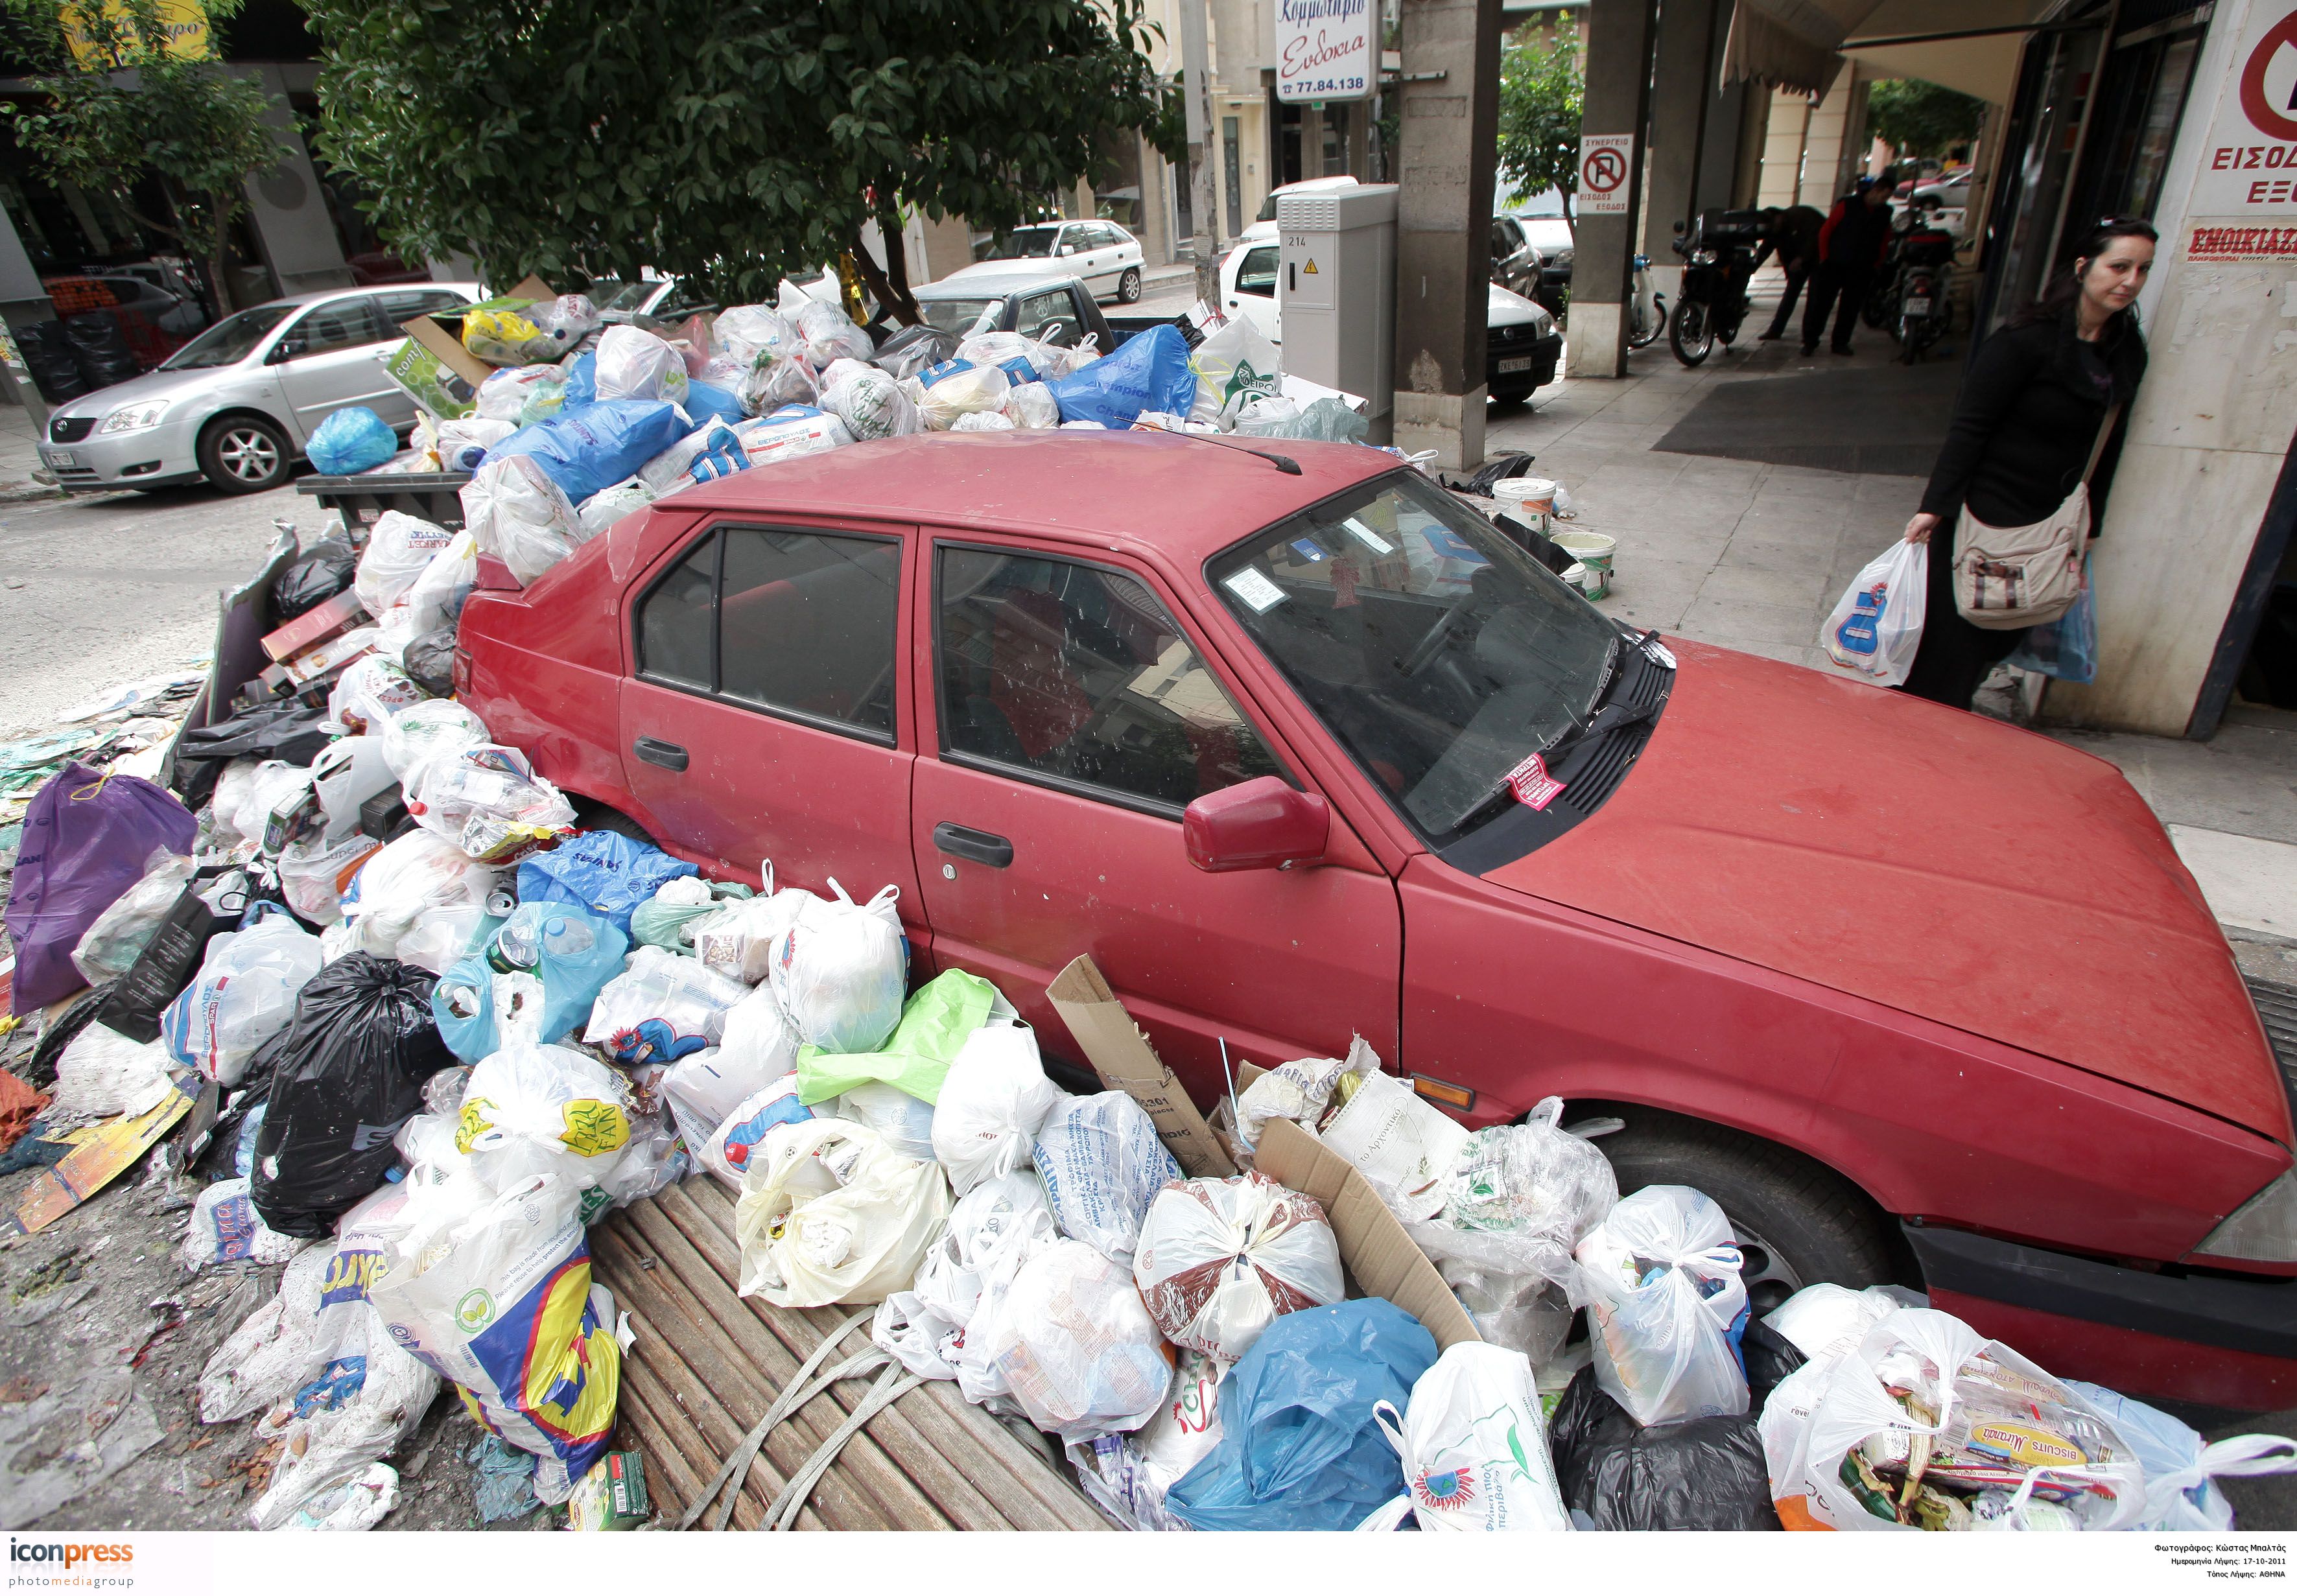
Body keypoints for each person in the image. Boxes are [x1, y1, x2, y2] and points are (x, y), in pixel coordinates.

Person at [1898, 218, 2156, 708]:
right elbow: (1969, 428)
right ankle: (1920, 727)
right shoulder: (2023, 341)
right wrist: (1935, 507)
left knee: (2000, 637)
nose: (2130, 281)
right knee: (1953, 638)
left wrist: (2091, 521)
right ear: (2083, 267)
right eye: (2119, 266)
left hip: (2049, 524)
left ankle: (1945, 715)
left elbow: (2111, 441)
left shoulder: (2124, 350)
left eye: (2142, 270)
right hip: (1984, 515)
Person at [1800, 169, 1899, 357]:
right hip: (1834, 264)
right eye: (1884, 195)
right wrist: (1824, 258)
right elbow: (1826, 231)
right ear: (1875, 190)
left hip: (1863, 267)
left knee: (1850, 308)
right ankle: (1810, 341)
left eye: (1888, 197)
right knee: (1820, 305)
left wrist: (1878, 262)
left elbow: (1885, 238)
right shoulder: (1848, 205)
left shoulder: (1885, 212)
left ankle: (1840, 343)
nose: (1884, 200)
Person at [1752, 204, 1825, 341]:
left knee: (1814, 298)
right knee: (1790, 295)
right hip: (1796, 264)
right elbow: (1766, 248)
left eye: (1774, 225)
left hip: (1817, 260)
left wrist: (1802, 258)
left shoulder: (1801, 216)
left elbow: (1815, 239)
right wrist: (1752, 267)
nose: (1774, 228)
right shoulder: (1775, 230)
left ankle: (1809, 336)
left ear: (1779, 217)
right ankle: (1775, 330)